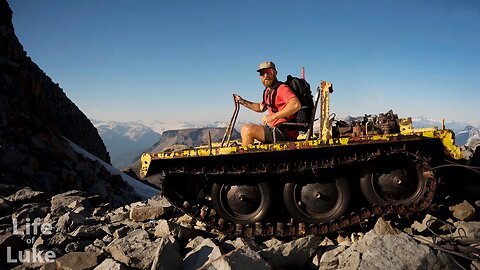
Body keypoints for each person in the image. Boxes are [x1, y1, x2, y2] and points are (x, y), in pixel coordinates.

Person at [234, 61, 301, 146]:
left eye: (268, 72)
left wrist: (273, 116)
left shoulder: (282, 88)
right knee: (245, 128)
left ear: (275, 73)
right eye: (262, 73)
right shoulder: (268, 91)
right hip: (276, 130)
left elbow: (295, 105)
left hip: (286, 132)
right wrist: (242, 101)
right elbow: (260, 107)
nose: (265, 76)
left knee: (247, 129)